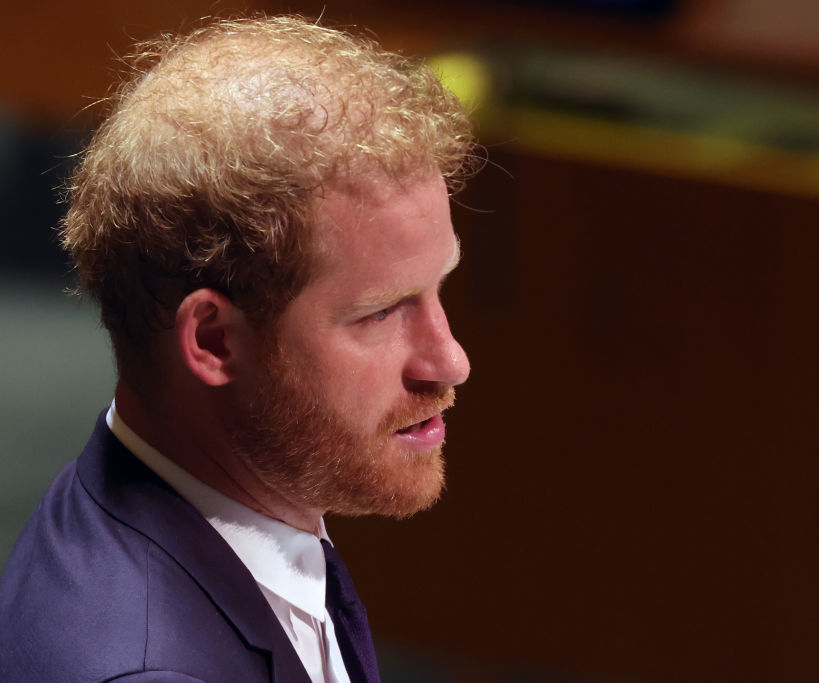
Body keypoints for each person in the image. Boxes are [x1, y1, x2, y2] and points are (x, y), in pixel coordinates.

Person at [0, 14, 475, 683]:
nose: (450, 359)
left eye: (439, 286)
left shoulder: (235, 508)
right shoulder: (150, 668)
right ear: (215, 340)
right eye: (380, 313)